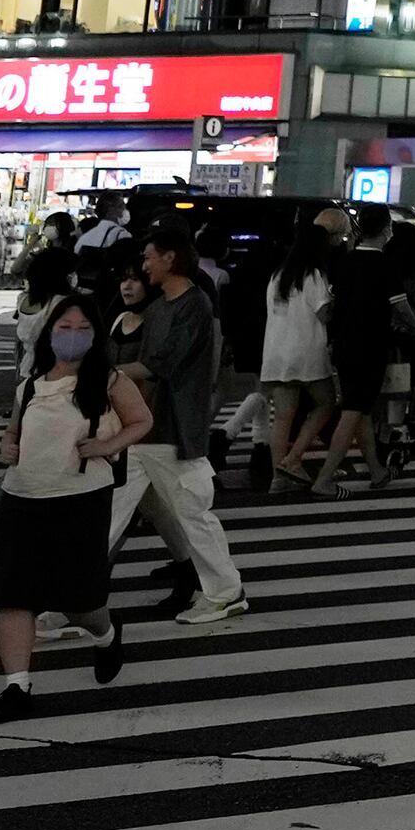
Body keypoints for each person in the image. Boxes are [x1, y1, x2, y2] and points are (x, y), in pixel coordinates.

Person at [0, 289, 149, 712]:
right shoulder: (30, 385)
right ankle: (17, 686)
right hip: (22, 497)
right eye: (64, 327)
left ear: (95, 335)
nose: (73, 335)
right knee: (13, 594)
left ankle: (107, 634)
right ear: (49, 333)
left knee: (79, 601)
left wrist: (107, 443)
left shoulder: (109, 380)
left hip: (80, 499)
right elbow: (13, 432)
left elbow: (142, 420)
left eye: (83, 328)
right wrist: (7, 445)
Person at [108, 224, 253, 625]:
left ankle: (226, 592)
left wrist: (102, 377)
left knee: (192, 514)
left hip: (173, 431)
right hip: (143, 431)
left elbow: (161, 365)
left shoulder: (194, 305)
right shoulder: (158, 309)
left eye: (149, 256)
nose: (144, 265)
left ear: (170, 257)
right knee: (110, 513)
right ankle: (67, 601)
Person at [256, 236, 340, 499]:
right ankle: (292, 460)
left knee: (282, 416)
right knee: (326, 403)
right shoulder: (313, 276)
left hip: (276, 354)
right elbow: (324, 313)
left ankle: (278, 478)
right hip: (306, 354)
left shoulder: (277, 277)